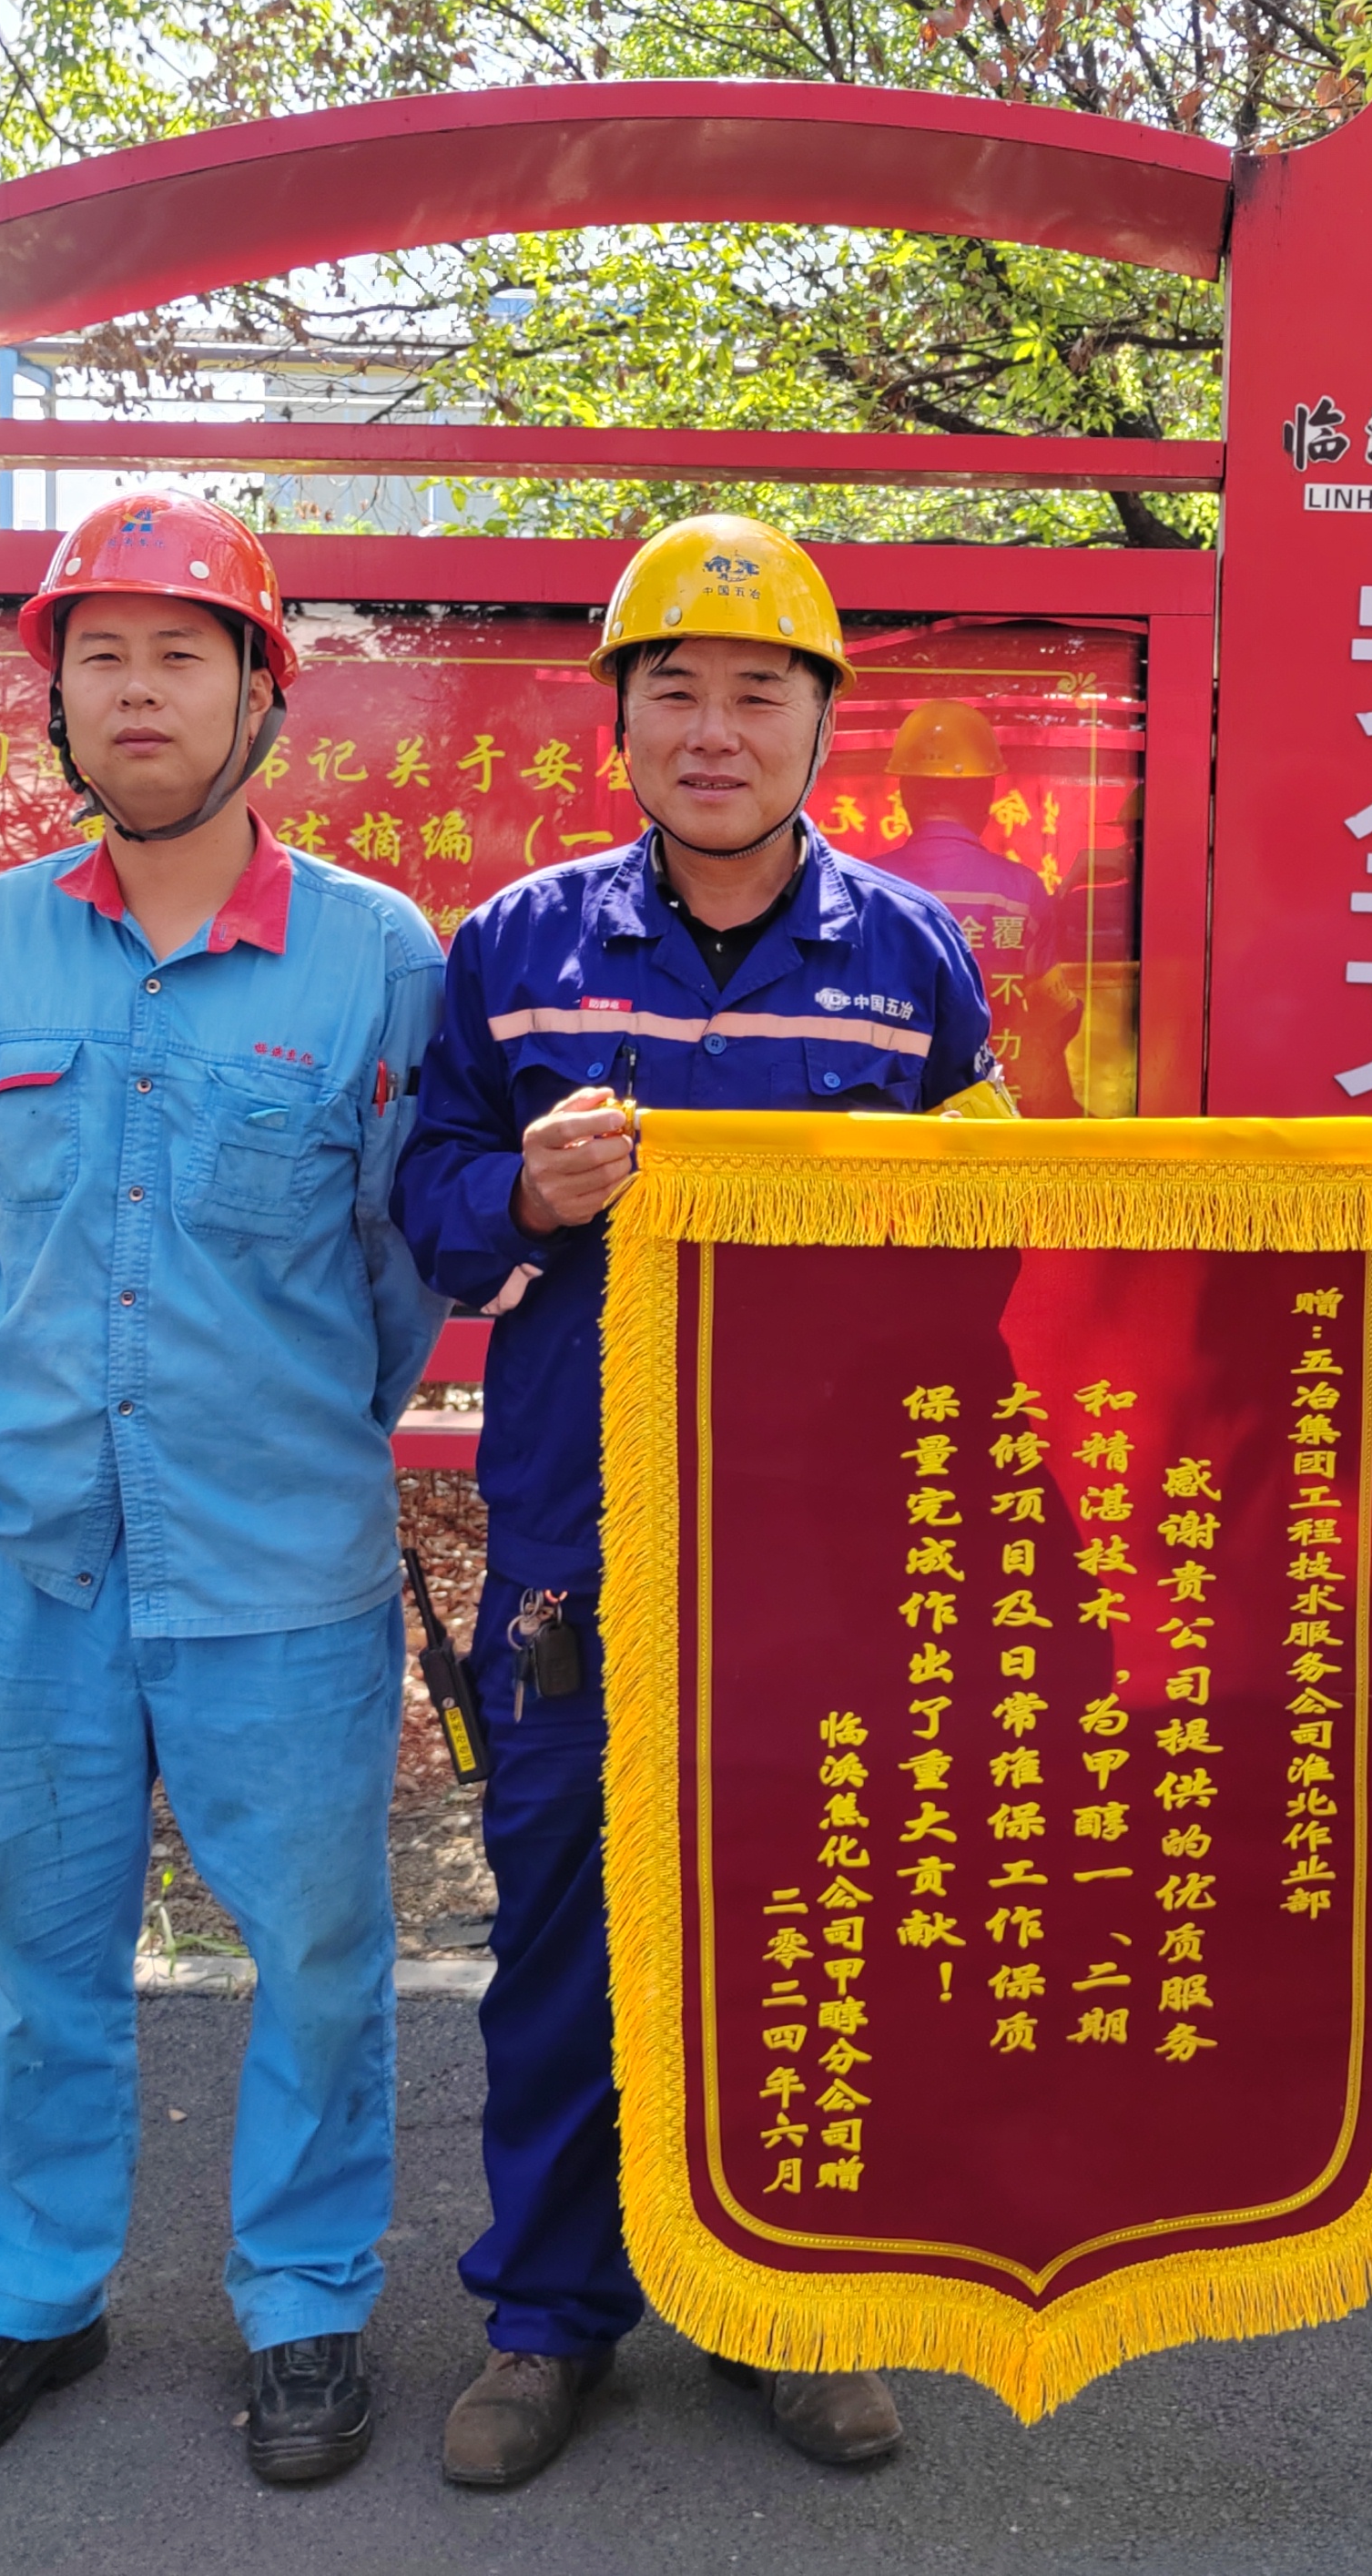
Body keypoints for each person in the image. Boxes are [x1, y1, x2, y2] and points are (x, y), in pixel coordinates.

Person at [389, 513, 1005, 2493]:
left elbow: (998, 1239)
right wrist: (521, 1191)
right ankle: (548, 2317)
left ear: (821, 722)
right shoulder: (514, 949)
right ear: (620, 721)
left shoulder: (911, 959)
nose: (715, 730)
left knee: (813, 1912)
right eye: (676, 691)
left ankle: (792, 2305)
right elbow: (425, 1206)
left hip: (831, 1544)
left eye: (759, 692)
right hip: (582, 1539)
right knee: (564, 1921)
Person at [0, 491, 449, 2489]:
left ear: (261, 695)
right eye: (98, 656)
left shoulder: (375, 957)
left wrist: (270, 1433)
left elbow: (396, 1277)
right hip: (40, 1550)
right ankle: (31, 2296)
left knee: (318, 1952)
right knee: (39, 1945)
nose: (136, 691)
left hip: (278, 1553)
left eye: (181, 654)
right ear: (54, 702)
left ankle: (303, 2302)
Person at [870, 696, 1062, 1110]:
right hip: (987, 1110)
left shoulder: (863, 889)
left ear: (905, 793)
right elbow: (1054, 1010)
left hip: (888, 1111)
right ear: (987, 796)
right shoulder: (1022, 891)